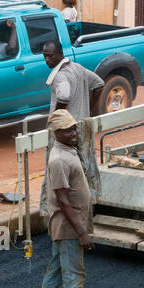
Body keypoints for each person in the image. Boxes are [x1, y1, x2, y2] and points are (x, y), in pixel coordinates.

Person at [34, 110, 101, 288]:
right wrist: (82, 232)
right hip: (68, 227)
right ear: (56, 133)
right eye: (67, 130)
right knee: (74, 274)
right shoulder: (59, 160)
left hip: (69, 224)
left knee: (56, 271)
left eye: (74, 128)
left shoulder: (67, 150)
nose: (73, 133)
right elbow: (63, 200)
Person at [41, 41, 104, 216]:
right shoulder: (78, 68)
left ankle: (58, 210)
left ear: (60, 53)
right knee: (85, 166)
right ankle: (89, 204)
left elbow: (63, 95)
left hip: (66, 131)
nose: (47, 59)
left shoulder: (60, 75)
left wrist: (58, 121)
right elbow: (98, 84)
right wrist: (87, 110)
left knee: (61, 170)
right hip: (82, 127)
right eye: (44, 55)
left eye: (50, 55)